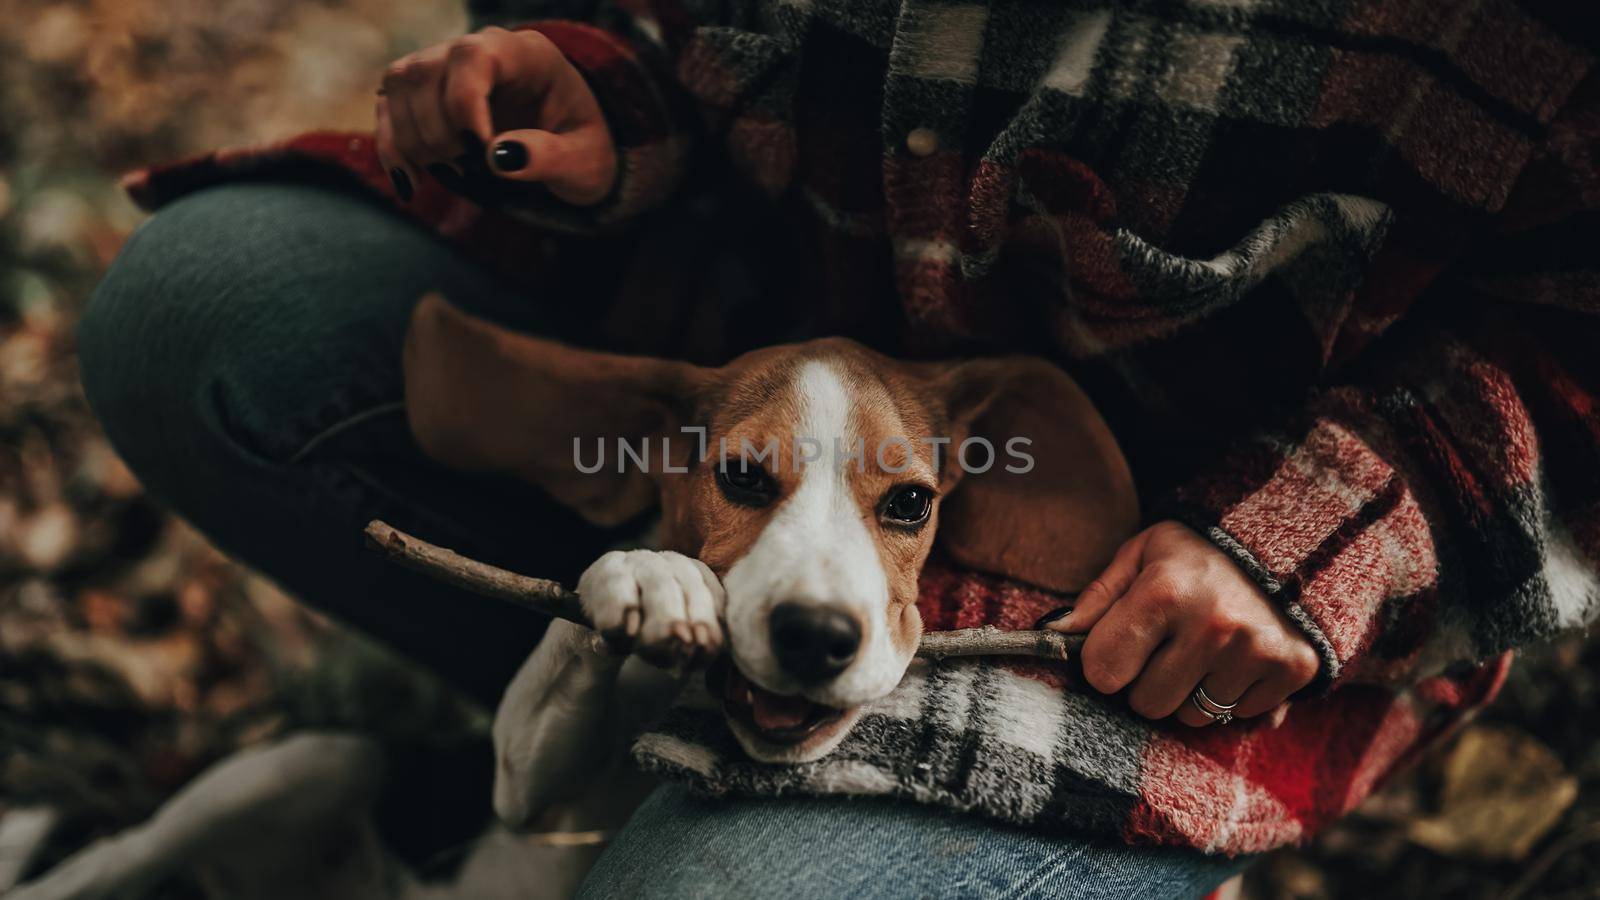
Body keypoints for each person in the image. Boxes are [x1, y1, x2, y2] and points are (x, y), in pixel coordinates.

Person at [80, 1, 1598, 897]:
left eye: (899, 510)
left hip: (1168, 616)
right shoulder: (660, 487)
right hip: (711, 447)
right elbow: (540, 796)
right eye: (748, 484)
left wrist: (1318, 539)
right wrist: (616, 91)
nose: (823, 571)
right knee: (195, 322)